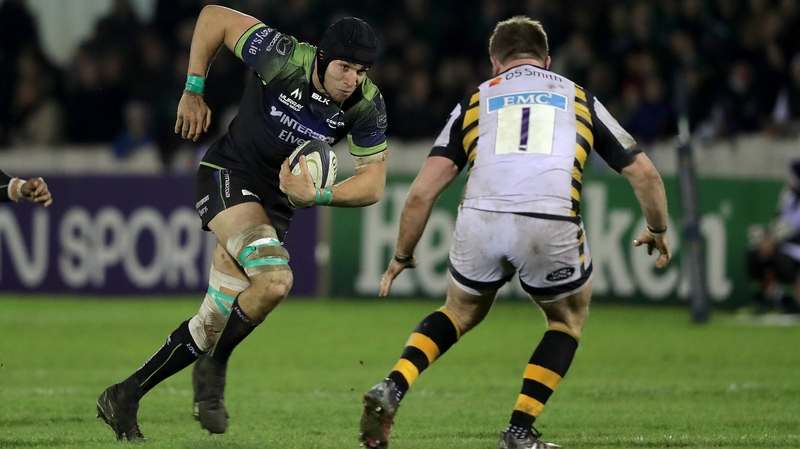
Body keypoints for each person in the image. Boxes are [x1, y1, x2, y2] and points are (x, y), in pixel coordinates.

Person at [359, 16, 671, 449]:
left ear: (494, 63)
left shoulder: (476, 99)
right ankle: (519, 432)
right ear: (546, 60)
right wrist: (657, 228)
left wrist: (402, 255)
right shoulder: (577, 95)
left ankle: (394, 384)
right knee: (566, 319)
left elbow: (420, 193)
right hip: (550, 219)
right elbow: (645, 173)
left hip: (480, 219)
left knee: (459, 312)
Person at [96, 5, 388, 441]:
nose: (353, 80)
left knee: (214, 320)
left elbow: (374, 183)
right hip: (228, 174)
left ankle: (125, 395)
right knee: (274, 281)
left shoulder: (366, 104)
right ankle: (214, 368)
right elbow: (213, 16)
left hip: (275, 204)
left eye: (362, 71)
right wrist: (194, 89)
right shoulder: (284, 56)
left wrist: (322, 195)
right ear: (323, 59)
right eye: (345, 67)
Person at [745, 160, 800, 314]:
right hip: (783, 244)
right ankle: (760, 300)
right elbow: (779, 221)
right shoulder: (788, 197)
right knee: (754, 255)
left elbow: (793, 230)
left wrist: (775, 243)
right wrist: (767, 239)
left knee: (782, 259)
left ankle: (789, 303)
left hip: (796, 247)